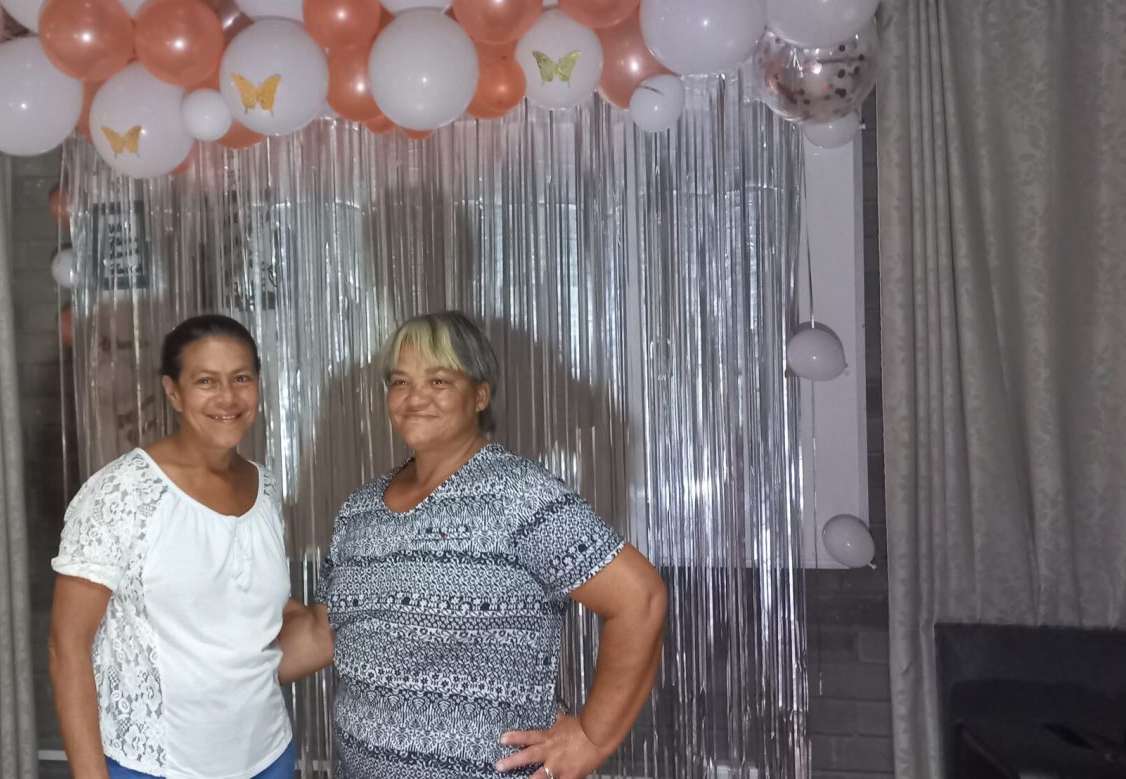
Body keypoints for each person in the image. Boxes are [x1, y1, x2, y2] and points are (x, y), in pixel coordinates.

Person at [316, 311, 667, 779]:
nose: (414, 398)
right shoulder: (360, 508)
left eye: (438, 381)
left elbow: (640, 599)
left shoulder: (518, 494)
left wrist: (592, 739)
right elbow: (327, 631)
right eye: (400, 382)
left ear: (479, 395)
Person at [49, 314, 331, 779]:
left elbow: (255, 619)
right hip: (153, 766)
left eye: (241, 378)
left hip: (268, 758)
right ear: (173, 392)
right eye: (206, 381)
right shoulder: (122, 492)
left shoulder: (264, 488)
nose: (227, 397)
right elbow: (67, 648)